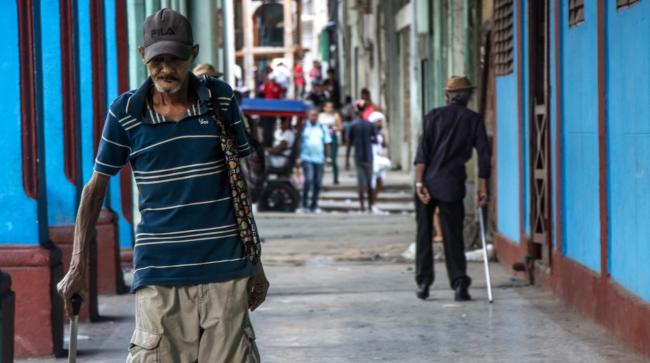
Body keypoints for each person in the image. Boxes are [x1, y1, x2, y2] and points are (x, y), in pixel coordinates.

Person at [56, 9, 268, 362]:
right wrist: (77, 266)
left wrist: (255, 262)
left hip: (225, 270)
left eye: (176, 58)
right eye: (158, 60)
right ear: (143, 56)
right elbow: (96, 188)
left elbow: (238, 185)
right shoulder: (124, 112)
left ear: (194, 53)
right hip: (159, 274)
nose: (166, 69)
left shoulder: (221, 100)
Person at [414, 76, 490, 302]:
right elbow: (484, 157)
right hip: (452, 184)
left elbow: (422, 154)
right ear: (468, 97)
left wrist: (419, 184)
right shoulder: (474, 119)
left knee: (424, 233)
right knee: (452, 235)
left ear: (447, 96)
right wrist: (483, 189)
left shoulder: (433, 116)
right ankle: (459, 284)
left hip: (427, 183)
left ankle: (424, 283)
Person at [345, 108, 378, 213]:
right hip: (369, 156)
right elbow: (376, 140)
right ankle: (370, 206)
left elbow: (349, 142)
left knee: (361, 183)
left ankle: (362, 207)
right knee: (369, 183)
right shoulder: (370, 125)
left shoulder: (353, 125)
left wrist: (347, 158)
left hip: (358, 156)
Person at [300, 108, 332, 213]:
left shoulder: (322, 128)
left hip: (319, 159)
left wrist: (328, 157)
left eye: (315, 115)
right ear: (309, 116)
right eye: (311, 115)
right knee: (309, 179)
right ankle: (304, 203)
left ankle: (314, 205)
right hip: (306, 157)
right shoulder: (304, 127)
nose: (313, 117)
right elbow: (298, 142)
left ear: (317, 117)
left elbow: (327, 143)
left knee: (318, 183)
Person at [368, 111, 389, 213]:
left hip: (379, 160)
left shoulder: (379, 134)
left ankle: (373, 202)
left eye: (381, 122)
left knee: (379, 181)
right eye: (378, 122)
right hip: (372, 160)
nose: (380, 124)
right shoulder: (369, 134)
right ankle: (371, 204)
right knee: (373, 182)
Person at [318, 101, 343, 185]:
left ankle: (335, 178)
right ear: (324, 108)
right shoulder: (320, 116)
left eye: (331, 107)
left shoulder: (335, 116)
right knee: (321, 158)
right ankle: (319, 178)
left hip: (332, 137)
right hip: (323, 138)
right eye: (328, 107)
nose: (329, 109)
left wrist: (332, 129)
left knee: (333, 158)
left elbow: (340, 127)